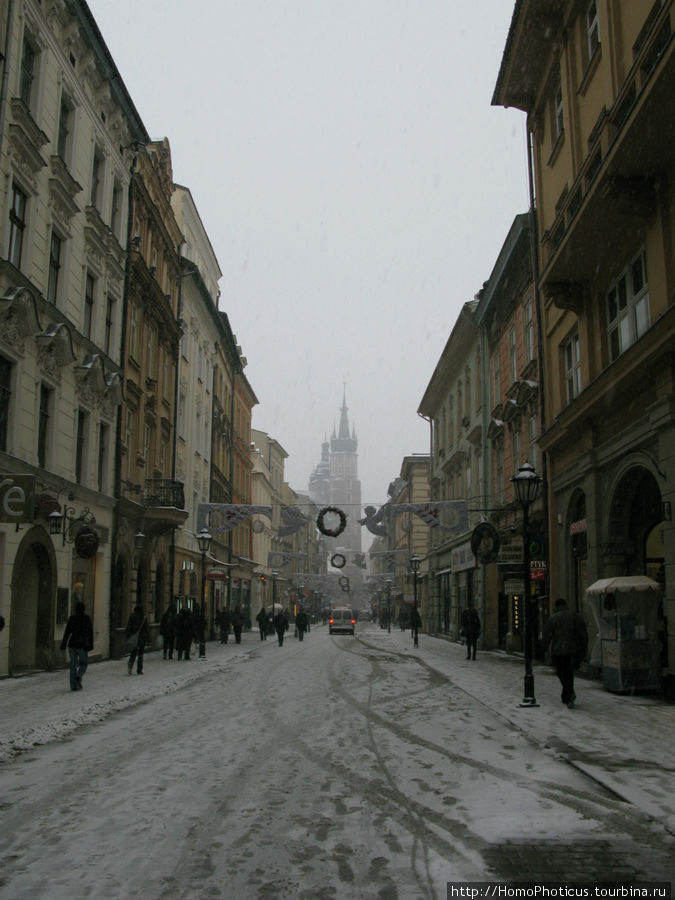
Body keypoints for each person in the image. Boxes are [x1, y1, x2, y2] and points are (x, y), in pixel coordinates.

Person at [542, 598, 588, 709]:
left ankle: (569, 693)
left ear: (556, 607)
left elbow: (547, 635)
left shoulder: (553, 618)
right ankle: (568, 694)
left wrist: (545, 648)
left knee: (561, 672)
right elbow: (583, 634)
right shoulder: (575, 616)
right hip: (572, 650)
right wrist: (583, 649)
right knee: (569, 672)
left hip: (558, 651)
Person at [60, 601, 94, 691]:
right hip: (82, 644)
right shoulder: (86, 618)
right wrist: (90, 644)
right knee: (84, 663)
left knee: (73, 665)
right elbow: (90, 633)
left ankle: (73, 685)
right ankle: (78, 676)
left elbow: (67, 632)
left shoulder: (72, 618)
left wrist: (64, 643)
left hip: (72, 644)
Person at [125, 603, 150, 675]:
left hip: (134, 638)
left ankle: (130, 664)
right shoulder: (144, 618)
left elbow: (128, 627)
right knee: (140, 654)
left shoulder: (132, 616)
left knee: (133, 653)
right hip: (141, 638)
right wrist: (148, 638)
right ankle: (139, 669)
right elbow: (146, 629)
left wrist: (128, 635)